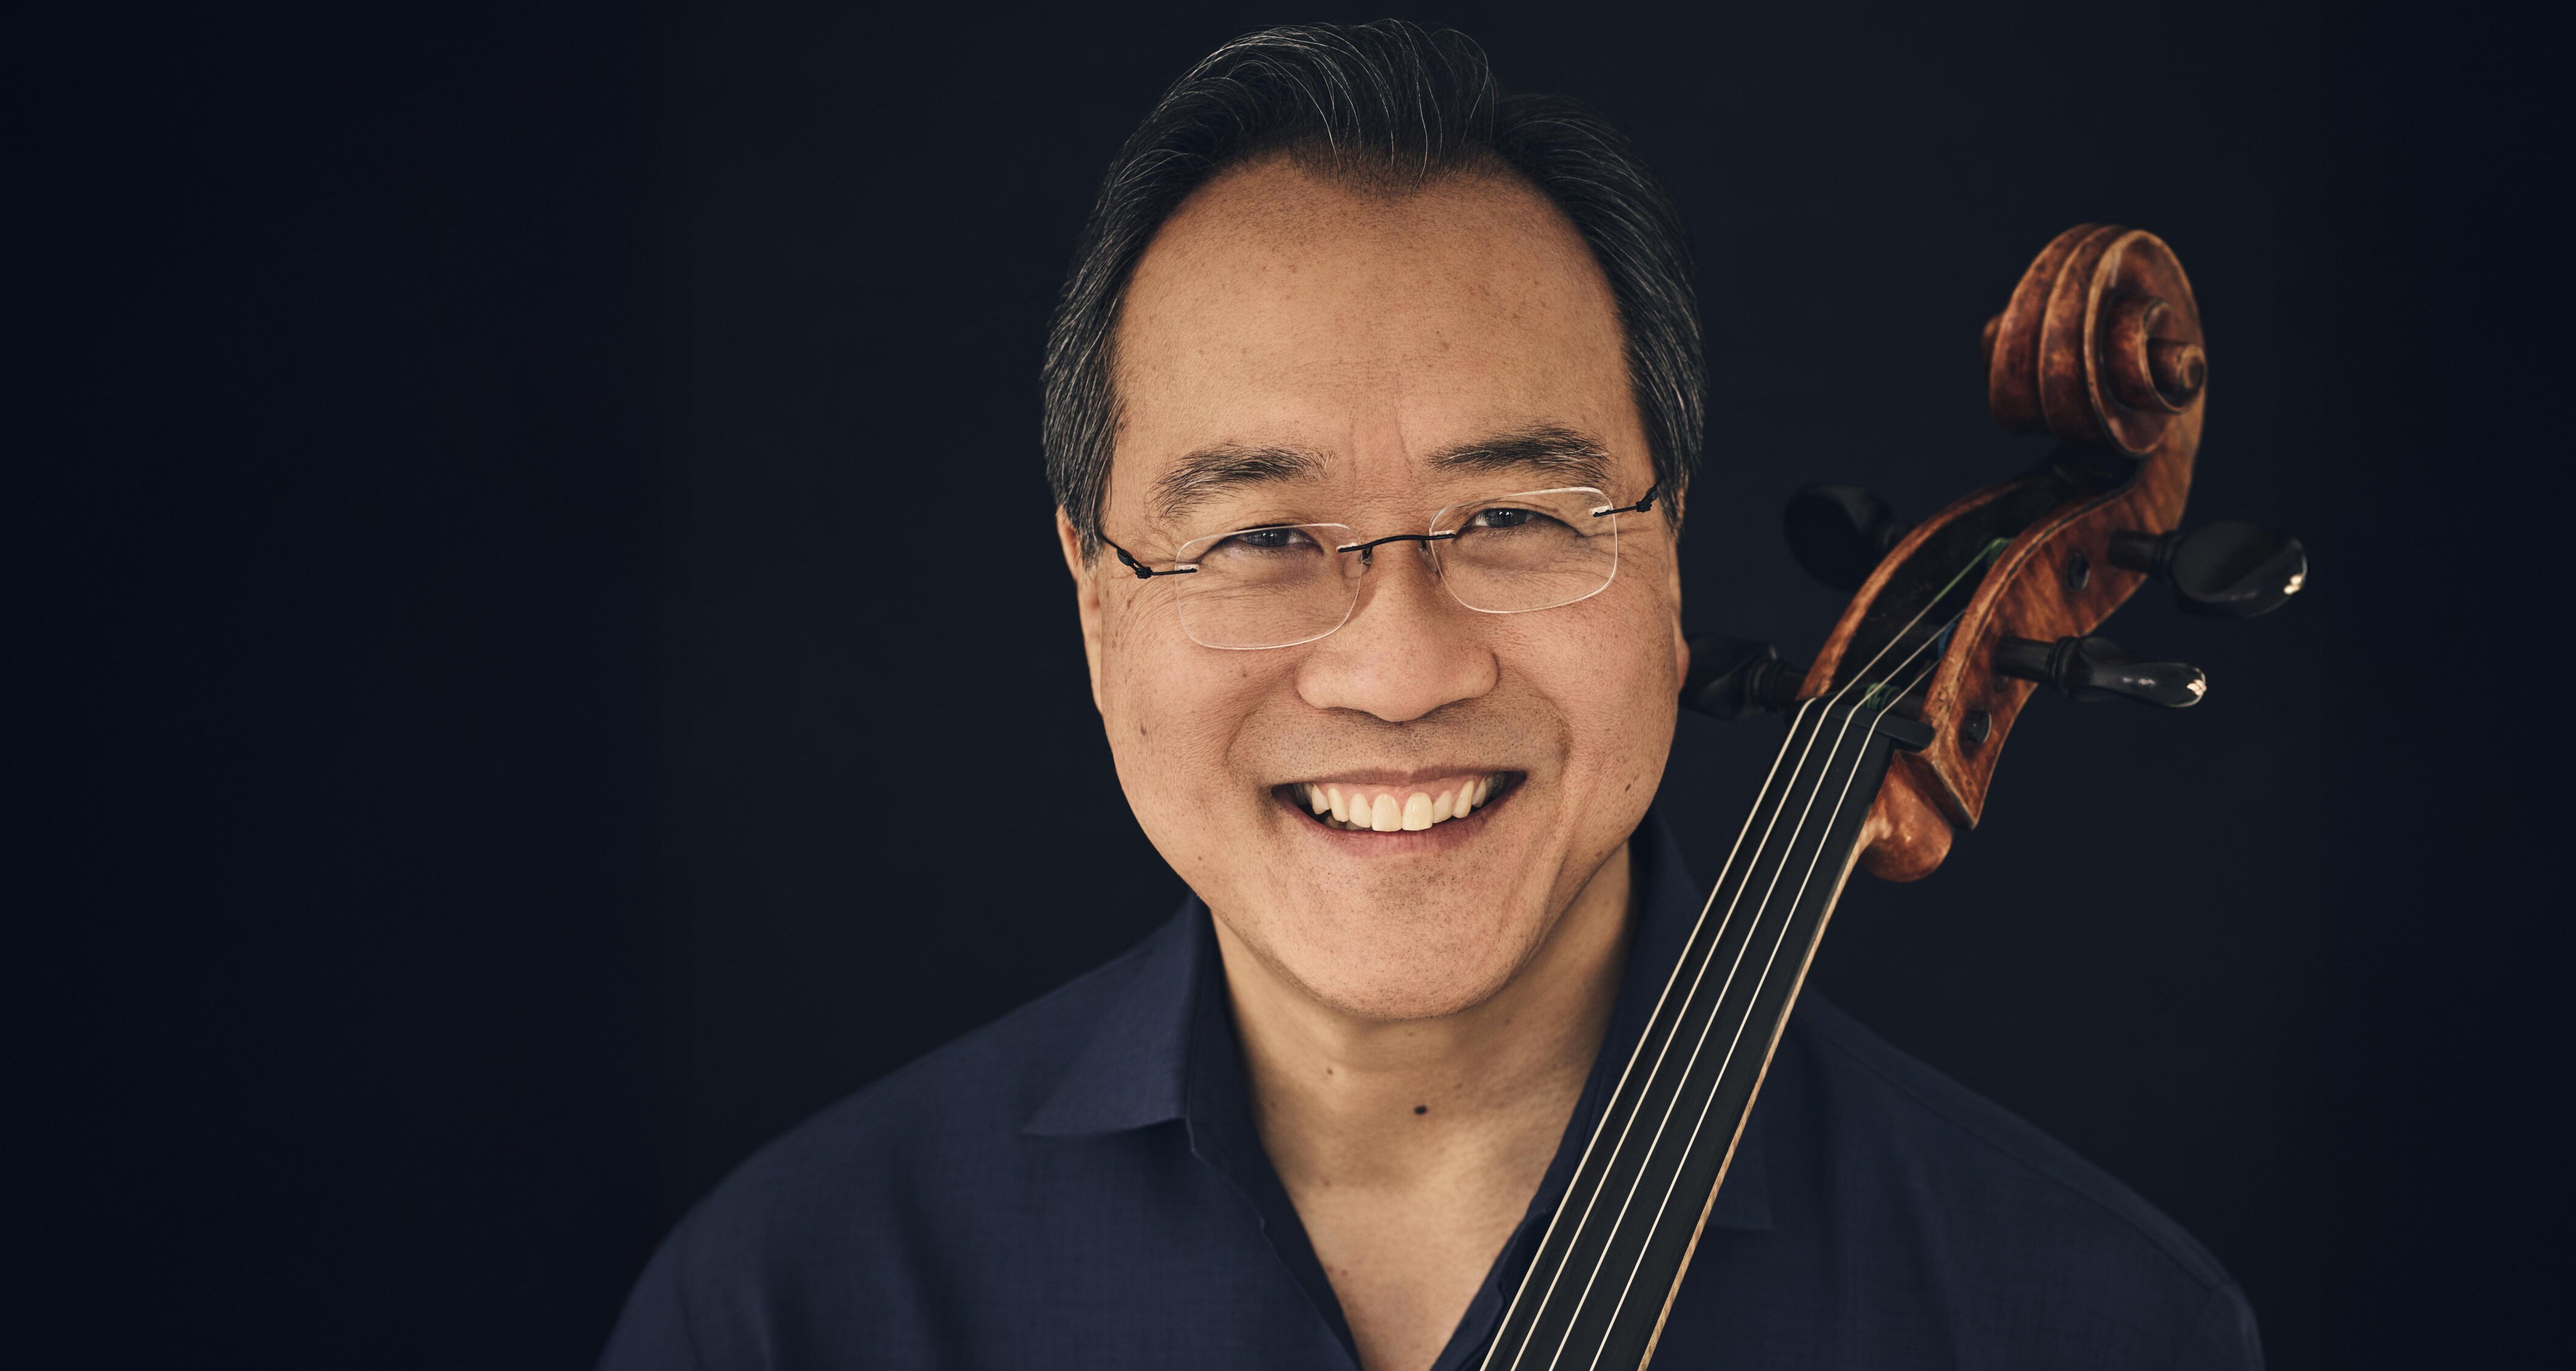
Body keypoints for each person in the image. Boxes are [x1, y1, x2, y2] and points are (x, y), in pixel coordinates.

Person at [600, 21, 2257, 1371]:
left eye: (1517, 520)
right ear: (1097, 601)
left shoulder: (2086, 1325)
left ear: (1669, 564)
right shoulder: (791, 1309)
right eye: (1262, 535)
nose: (1400, 669)